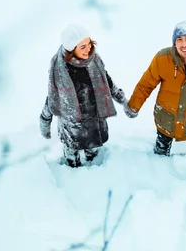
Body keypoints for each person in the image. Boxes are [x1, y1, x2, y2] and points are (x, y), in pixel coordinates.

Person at [123, 21, 186, 183]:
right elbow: (146, 84)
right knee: (161, 149)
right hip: (166, 118)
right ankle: (159, 176)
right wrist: (134, 106)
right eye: (179, 40)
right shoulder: (163, 59)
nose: (184, 44)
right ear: (174, 43)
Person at [39, 23, 127, 167]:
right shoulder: (59, 68)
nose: (89, 49)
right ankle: (72, 175)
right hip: (72, 127)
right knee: (71, 160)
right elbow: (53, 97)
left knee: (94, 157)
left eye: (89, 44)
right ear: (71, 49)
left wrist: (122, 100)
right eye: (82, 47)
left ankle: (93, 174)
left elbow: (107, 82)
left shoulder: (94, 60)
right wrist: (44, 120)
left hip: (94, 122)